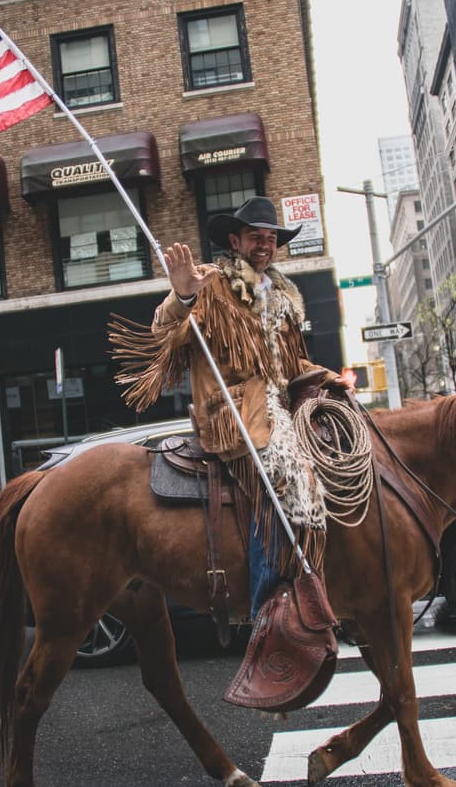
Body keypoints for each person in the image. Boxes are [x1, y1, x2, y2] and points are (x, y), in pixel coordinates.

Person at [110, 196, 350, 614]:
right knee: (281, 485)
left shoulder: (282, 297)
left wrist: (334, 380)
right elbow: (163, 331)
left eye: (271, 238)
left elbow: (291, 365)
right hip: (235, 416)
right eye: (255, 237)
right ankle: (267, 610)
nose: (264, 245)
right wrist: (182, 296)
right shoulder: (212, 282)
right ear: (235, 241)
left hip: (280, 409)